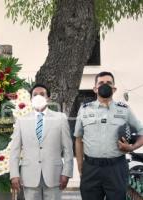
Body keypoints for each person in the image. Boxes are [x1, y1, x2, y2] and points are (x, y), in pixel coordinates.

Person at [74, 71, 143, 200]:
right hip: (91, 168)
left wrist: (132, 148)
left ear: (114, 88)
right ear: (95, 88)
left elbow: (141, 132)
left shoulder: (124, 109)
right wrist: (80, 165)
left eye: (108, 83)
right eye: (101, 83)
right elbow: (78, 139)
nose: (104, 85)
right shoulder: (84, 109)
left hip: (116, 168)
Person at [10, 84, 74, 200]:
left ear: (48, 98)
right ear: (30, 99)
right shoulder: (21, 121)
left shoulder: (60, 118)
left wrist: (67, 172)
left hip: (55, 175)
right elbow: (15, 150)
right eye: (35, 95)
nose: (38, 97)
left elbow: (68, 149)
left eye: (42, 94)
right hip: (30, 176)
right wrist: (14, 174)